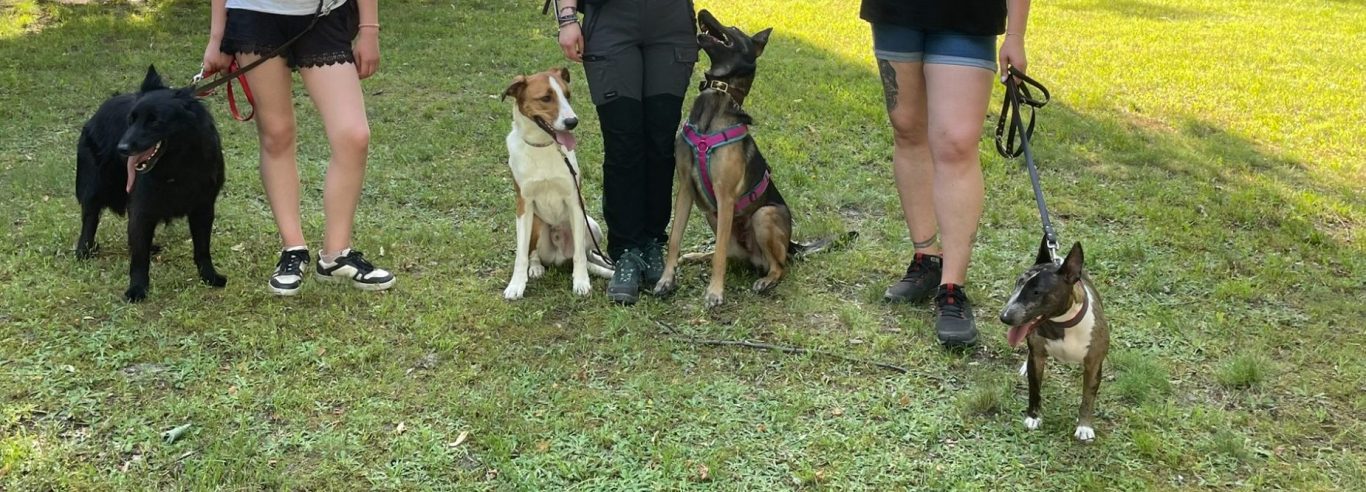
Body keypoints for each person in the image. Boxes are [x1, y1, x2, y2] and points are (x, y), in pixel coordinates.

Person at [861, 0, 1030, 346]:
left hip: (967, 15)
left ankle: (952, 288)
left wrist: (1015, 34)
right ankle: (926, 258)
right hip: (896, 11)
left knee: (956, 143)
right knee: (907, 128)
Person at [202, 0, 395, 296]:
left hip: (324, 14)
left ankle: (336, 255)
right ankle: (293, 249)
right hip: (256, 15)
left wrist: (369, 30)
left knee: (353, 136)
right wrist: (217, 38)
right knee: (276, 134)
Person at [553, 0, 698, 305]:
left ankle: (653, 244)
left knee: (660, 142)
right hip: (610, 20)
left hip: (670, 23)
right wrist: (567, 18)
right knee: (623, 142)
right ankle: (627, 252)